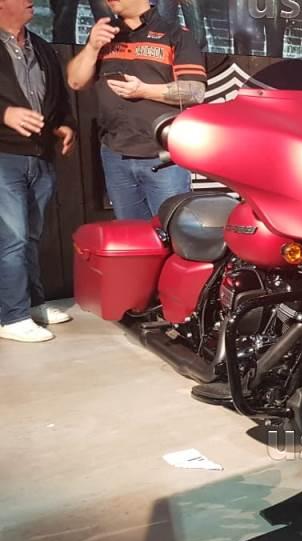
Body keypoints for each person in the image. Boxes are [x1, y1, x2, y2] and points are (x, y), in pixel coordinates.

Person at [66, 0, 206, 220]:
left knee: (171, 230)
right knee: (130, 233)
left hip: (163, 158)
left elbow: (195, 92)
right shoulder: (104, 35)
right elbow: (75, 82)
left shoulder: (175, 33)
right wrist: (92, 47)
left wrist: (144, 90)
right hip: (115, 155)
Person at [1, 0, 76, 342]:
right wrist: (4, 114)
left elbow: (57, 99)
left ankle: (33, 304)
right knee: (12, 238)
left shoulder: (41, 47)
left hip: (40, 156)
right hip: (5, 155)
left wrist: (65, 125)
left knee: (31, 236)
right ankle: (11, 316)